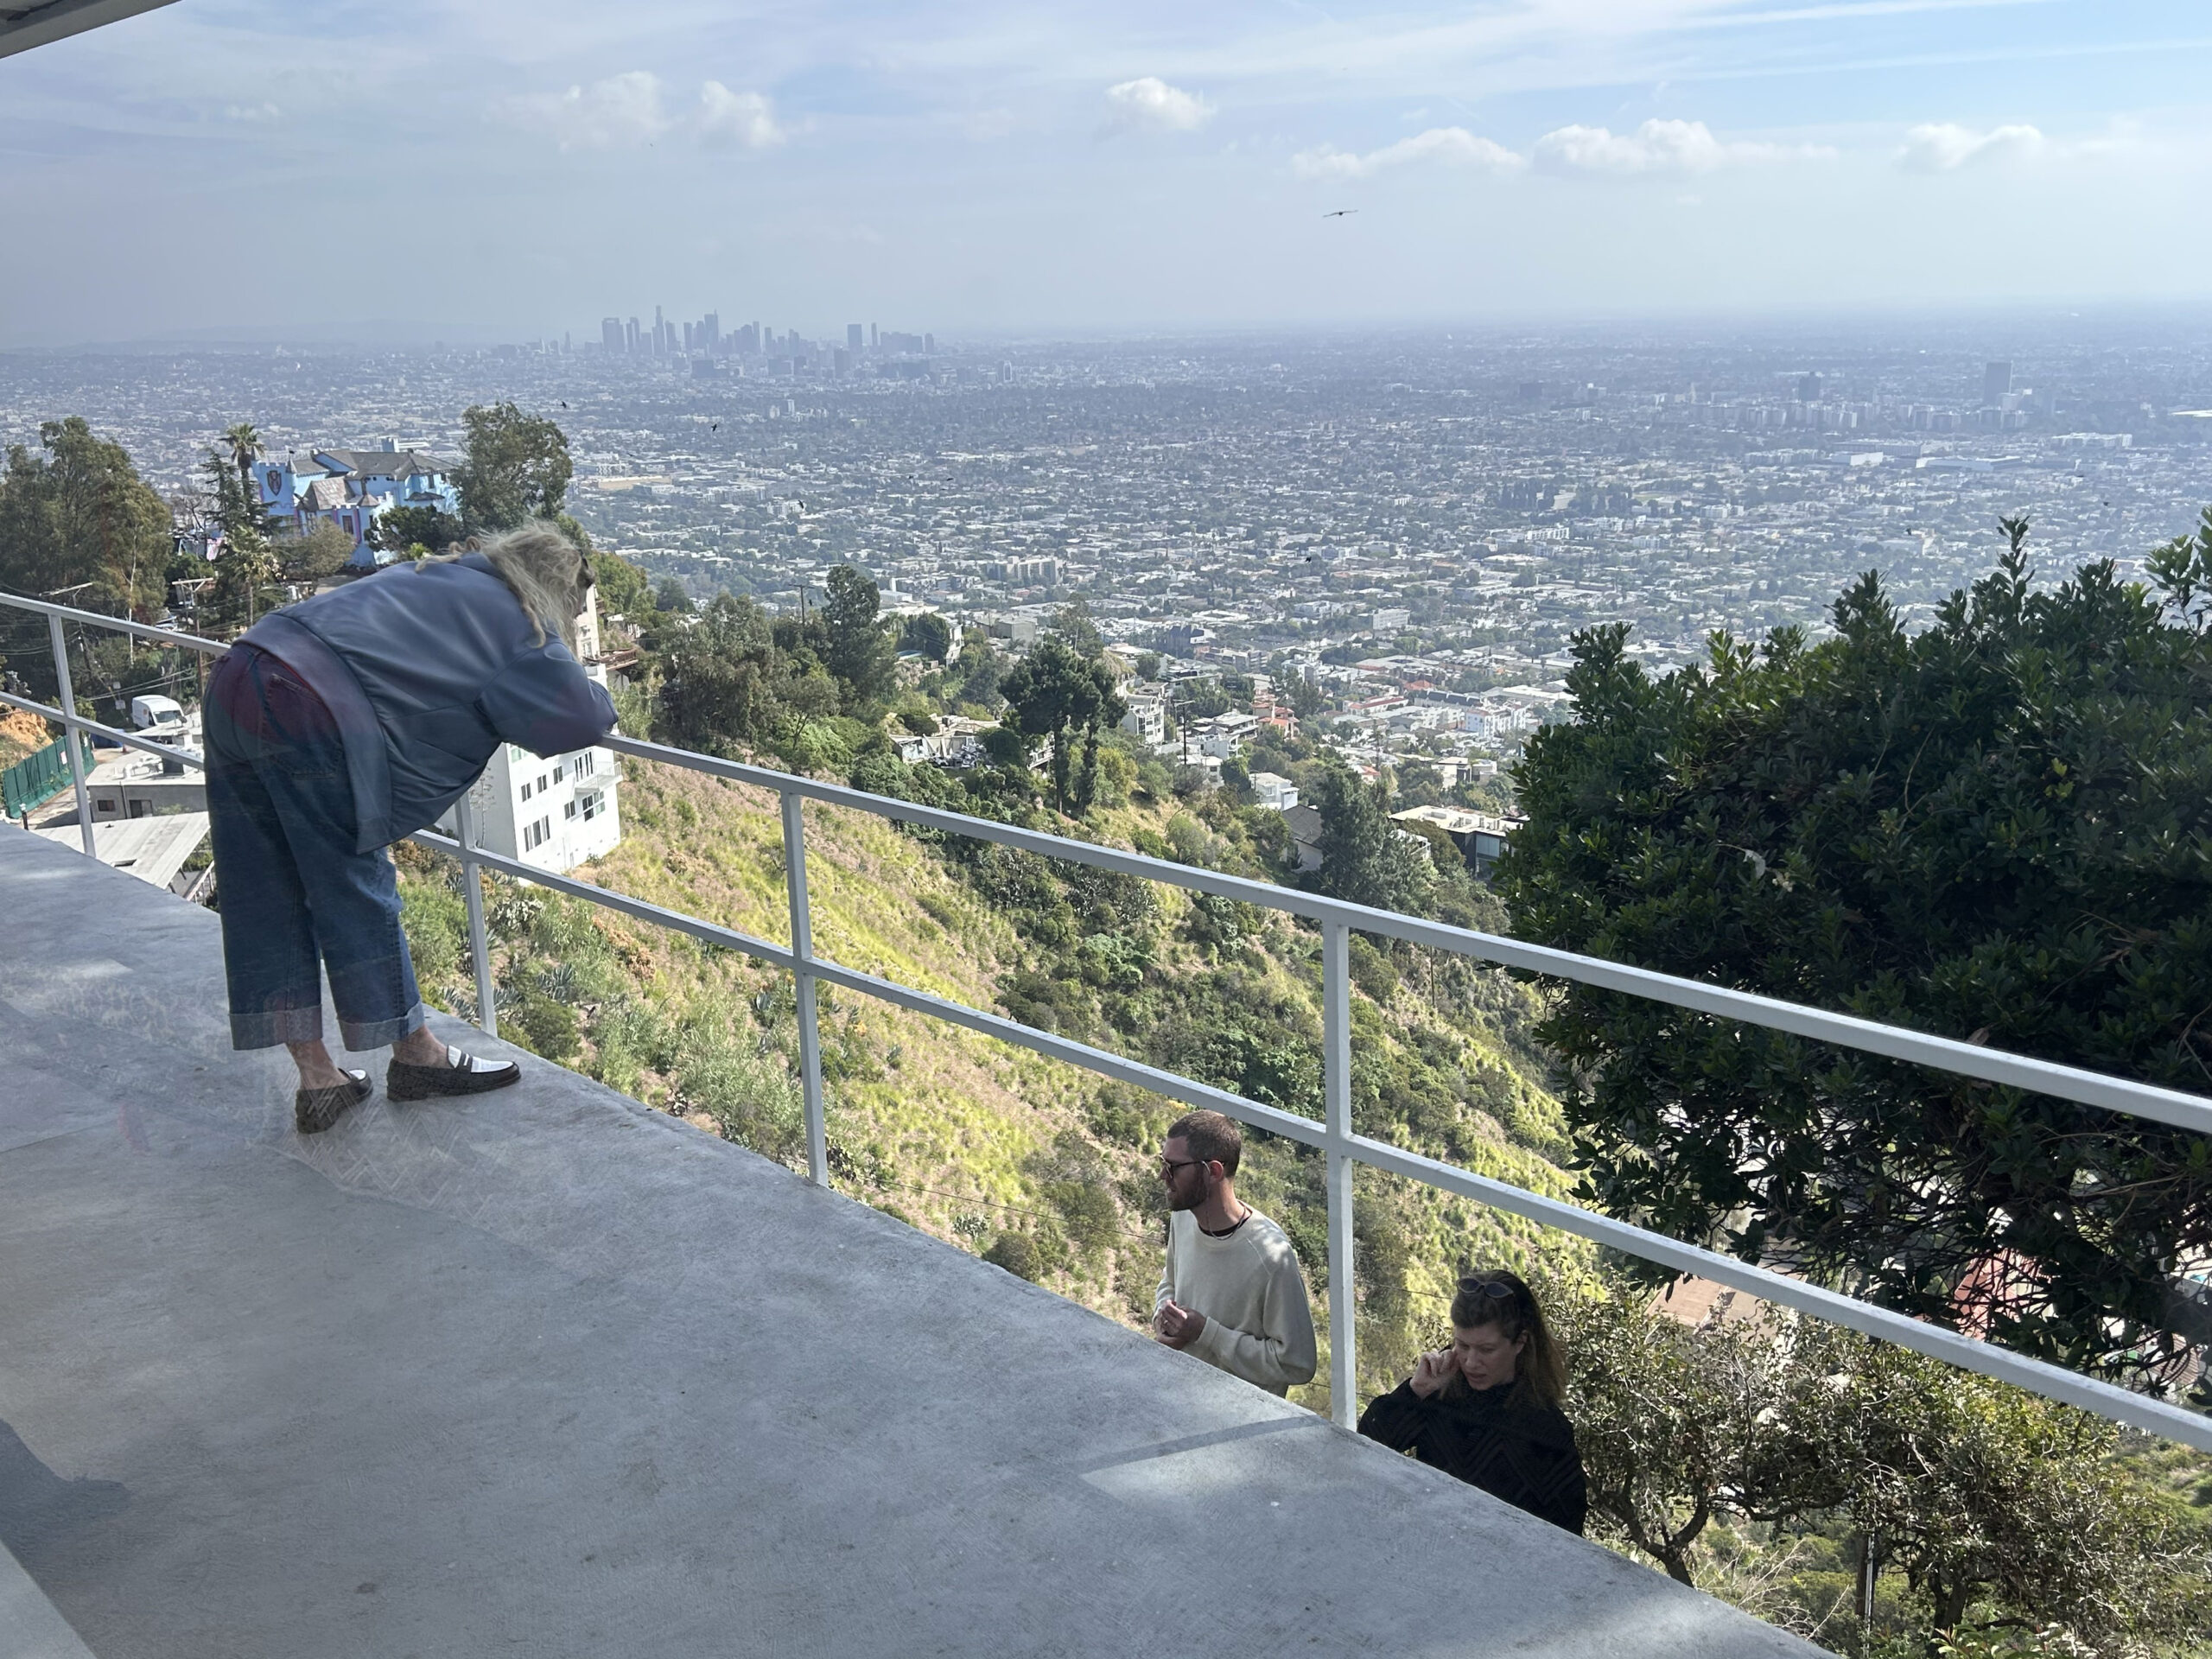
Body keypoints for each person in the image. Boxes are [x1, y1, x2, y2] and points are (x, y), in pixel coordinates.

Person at [205, 521, 616, 1135]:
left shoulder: (434, 573)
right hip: (305, 705)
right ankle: (417, 1059)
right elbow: (581, 718)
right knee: (354, 883)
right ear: (555, 587)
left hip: (239, 673)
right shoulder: (517, 622)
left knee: (263, 890)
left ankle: (319, 1081)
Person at [1357, 1269, 1586, 1535]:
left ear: (1520, 1341)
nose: (1471, 1362)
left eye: (1486, 1350)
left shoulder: (1547, 1429)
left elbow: (1567, 1530)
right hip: (1423, 1537)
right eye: (1462, 1345)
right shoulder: (1442, 1389)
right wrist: (1416, 1392)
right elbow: (1367, 1444)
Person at [1153, 1109, 1318, 1396]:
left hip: (1238, 1413)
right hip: (1178, 1390)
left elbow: (1298, 1364)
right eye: (1162, 1162)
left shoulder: (1271, 1258)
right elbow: (1171, 1280)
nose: (1162, 1176)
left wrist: (1206, 1333)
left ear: (1213, 1171)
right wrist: (1164, 1315)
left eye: (1173, 1167)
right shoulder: (1183, 1217)